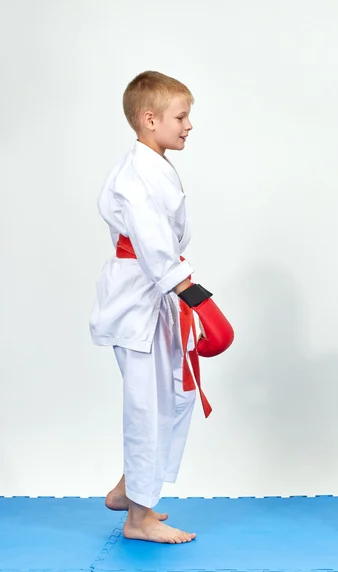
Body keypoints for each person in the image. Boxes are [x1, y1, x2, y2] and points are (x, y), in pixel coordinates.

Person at [90, 70, 233, 544]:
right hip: (141, 298)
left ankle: (133, 488)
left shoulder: (151, 164)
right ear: (150, 119)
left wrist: (181, 290)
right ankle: (138, 518)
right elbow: (152, 244)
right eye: (182, 116)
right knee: (147, 406)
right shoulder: (137, 176)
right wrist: (194, 295)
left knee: (174, 396)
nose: (189, 125)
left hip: (156, 295)